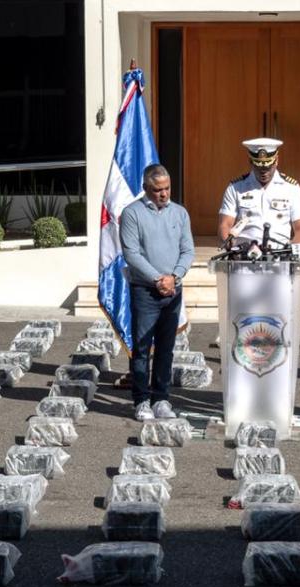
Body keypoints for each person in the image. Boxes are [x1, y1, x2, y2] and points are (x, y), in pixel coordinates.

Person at [118, 164, 194, 421]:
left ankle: (161, 398)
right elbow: (131, 253)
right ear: (145, 188)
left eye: (166, 188)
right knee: (141, 348)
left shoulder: (180, 213)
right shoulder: (132, 214)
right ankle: (141, 400)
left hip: (173, 290)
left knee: (166, 347)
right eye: (157, 189)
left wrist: (175, 276)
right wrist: (157, 278)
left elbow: (188, 250)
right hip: (145, 291)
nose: (163, 194)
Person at [217, 137, 300, 249]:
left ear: (276, 161)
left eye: (268, 166)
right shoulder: (236, 188)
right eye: (259, 166)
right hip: (245, 256)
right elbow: (225, 225)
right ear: (250, 162)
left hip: (279, 256)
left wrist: (290, 251)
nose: (264, 171)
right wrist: (229, 244)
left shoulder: (291, 188)